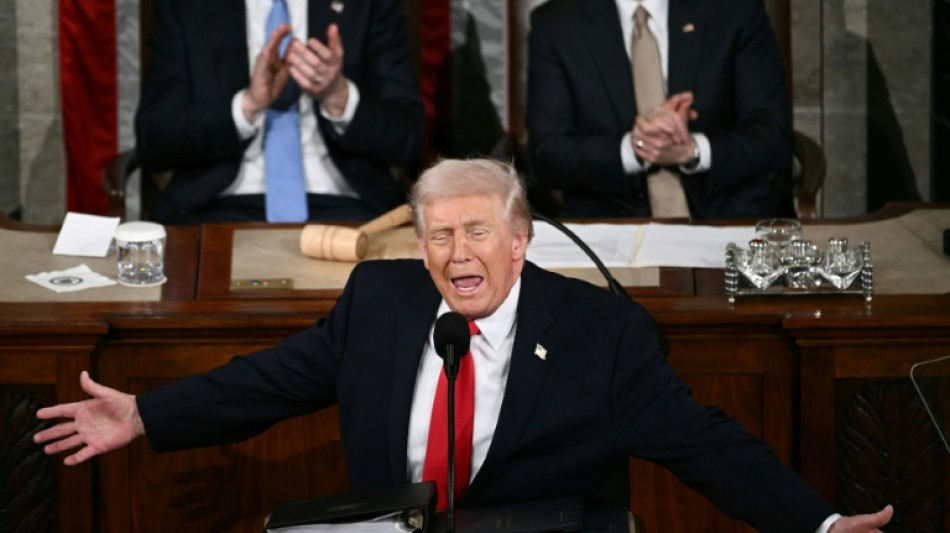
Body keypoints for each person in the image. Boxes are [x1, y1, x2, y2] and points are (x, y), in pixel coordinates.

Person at [36, 158, 891, 532]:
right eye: (438, 234)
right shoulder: (381, 298)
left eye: (476, 231)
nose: (455, 254)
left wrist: (814, 521)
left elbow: (708, 444)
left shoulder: (599, 335)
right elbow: (269, 381)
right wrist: (147, 413)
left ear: (520, 241)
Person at [134, 0, 424, 224]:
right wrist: (246, 107)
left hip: (349, 208)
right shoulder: (186, 6)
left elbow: (407, 138)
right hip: (213, 208)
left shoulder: (368, 5)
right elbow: (155, 139)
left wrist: (339, 97)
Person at [526, 0, 797, 220]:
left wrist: (692, 150)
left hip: (730, 217)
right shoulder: (556, 24)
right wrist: (634, 149)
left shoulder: (735, 9)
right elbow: (547, 158)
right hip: (611, 226)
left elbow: (775, 138)